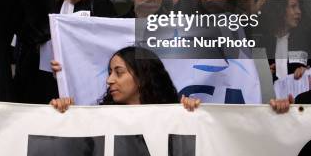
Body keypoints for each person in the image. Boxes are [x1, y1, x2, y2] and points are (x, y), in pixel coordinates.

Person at [16, 0, 116, 103]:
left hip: (88, 90)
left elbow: (109, 50)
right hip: (51, 91)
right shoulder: (49, 8)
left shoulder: (99, 4)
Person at [50, 46, 200, 112]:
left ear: (142, 77)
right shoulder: (99, 118)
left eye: (119, 72)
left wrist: (192, 112)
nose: (109, 80)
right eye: (109, 73)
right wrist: (63, 112)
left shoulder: (175, 115)